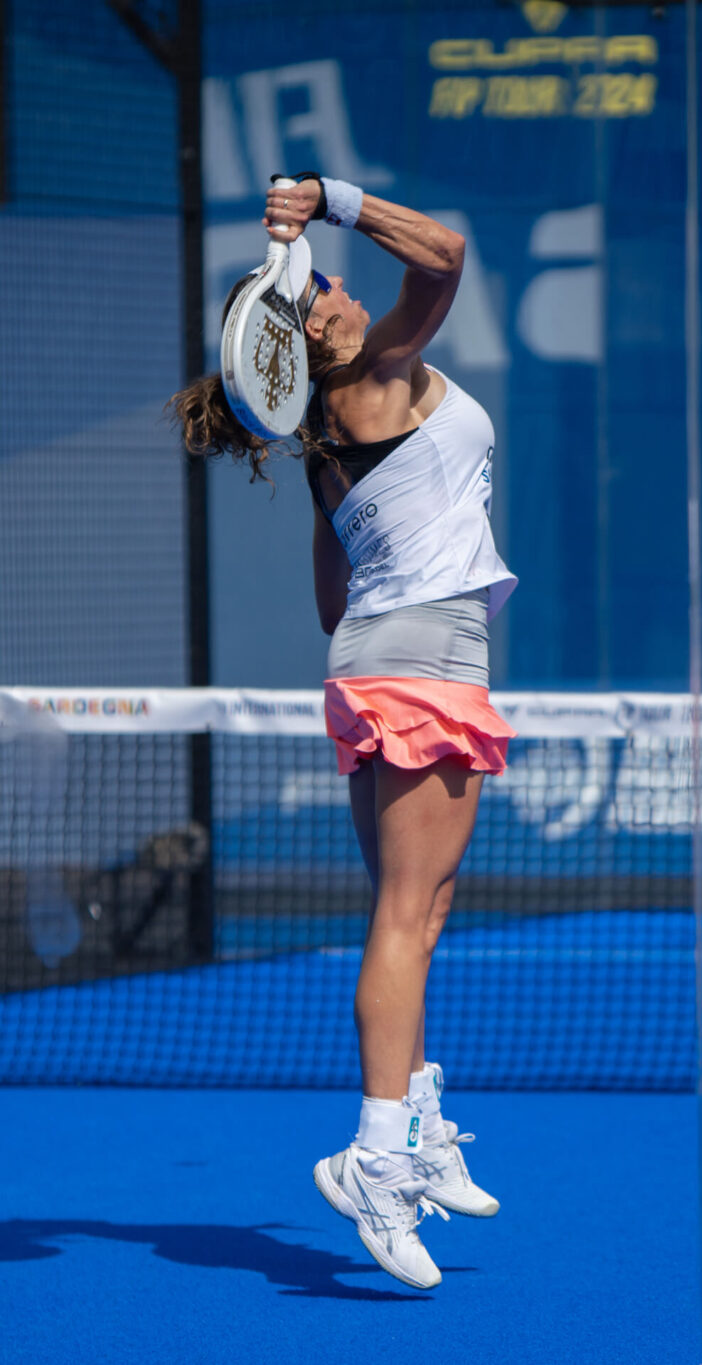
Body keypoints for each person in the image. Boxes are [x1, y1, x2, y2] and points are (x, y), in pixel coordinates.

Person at [170, 174, 518, 1291]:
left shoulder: (330, 435)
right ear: (307, 341)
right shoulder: (374, 374)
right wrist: (334, 199)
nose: (340, 292)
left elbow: (334, 602)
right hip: (424, 664)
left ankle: (414, 1118)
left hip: (372, 661)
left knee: (420, 909)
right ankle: (375, 1155)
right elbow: (446, 254)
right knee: (408, 916)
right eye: (321, 293)